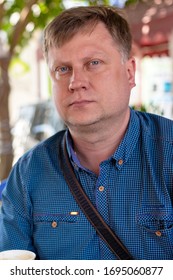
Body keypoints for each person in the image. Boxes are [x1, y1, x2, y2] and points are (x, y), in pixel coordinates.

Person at [0, 5, 173, 260]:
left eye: (93, 63)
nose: (75, 82)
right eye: (63, 69)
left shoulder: (168, 153)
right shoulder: (28, 175)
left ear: (129, 73)